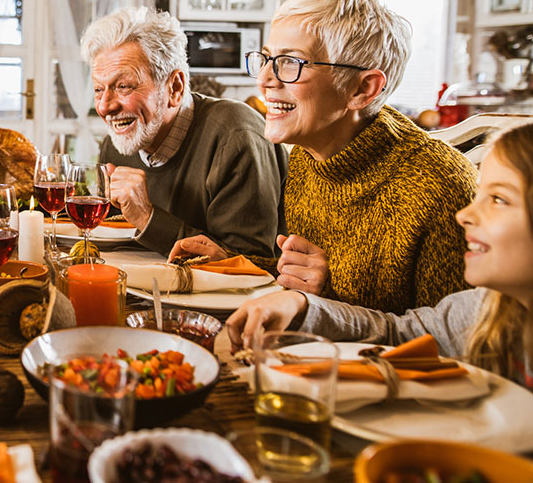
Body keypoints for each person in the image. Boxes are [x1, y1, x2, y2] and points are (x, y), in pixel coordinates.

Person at [171, 0, 475, 313]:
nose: (264, 79)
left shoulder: (439, 185)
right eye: (267, 58)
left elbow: (452, 340)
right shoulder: (306, 155)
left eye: (290, 63)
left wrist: (326, 296)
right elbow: (308, 274)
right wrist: (233, 263)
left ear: (362, 89)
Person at [225, 123, 533, 391]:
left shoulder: (428, 177)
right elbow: (398, 334)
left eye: (499, 199)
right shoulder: (484, 309)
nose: (465, 214)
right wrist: (302, 306)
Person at [81, 6, 287, 258]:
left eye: (123, 86)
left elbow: (251, 265)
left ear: (175, 87)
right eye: (99, 90)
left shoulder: (236, 136)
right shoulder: (116, 145)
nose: (104, 107)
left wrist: (148, 217)